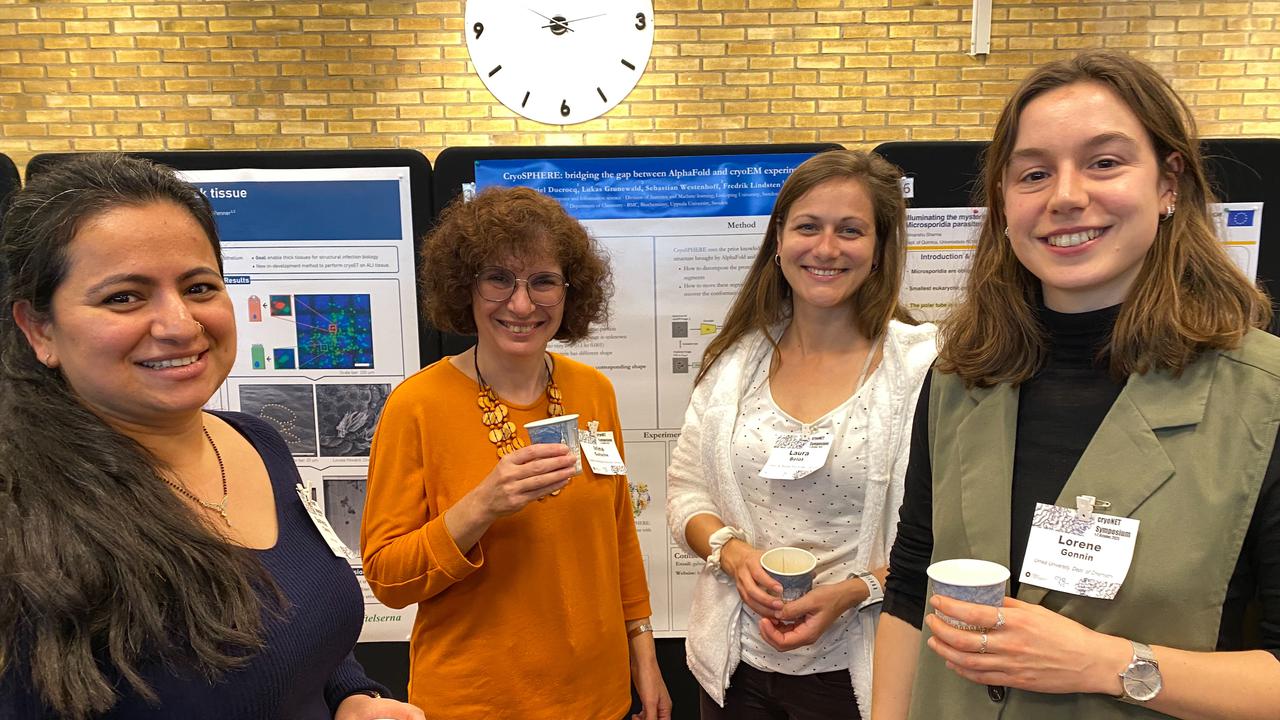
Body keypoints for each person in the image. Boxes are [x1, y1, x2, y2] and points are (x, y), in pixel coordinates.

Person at [871, 49, 1280, 720]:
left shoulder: (1263, 399)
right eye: (1034, 173)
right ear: (1004, 204)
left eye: (1104, 162)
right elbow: (912, 588)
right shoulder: (959, 380)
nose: (1065, 196)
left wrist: (1110, 664)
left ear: (1169, 183)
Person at [0, 154, 423, 720]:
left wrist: (351, 695)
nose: (178, 325)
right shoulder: (21, 518)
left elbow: (306, 626)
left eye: (199, 287)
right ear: (39, 328)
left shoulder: (259, 444)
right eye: (124, 296)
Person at [360, 186, 671, 720]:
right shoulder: (416, 405)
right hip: (476, 702)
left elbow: (618, 531)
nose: (522, 304)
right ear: (466, 288)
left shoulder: (593, 390)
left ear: (571, 292)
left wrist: (643, 647)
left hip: (596, 697)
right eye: (498, 278)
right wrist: (481, 506)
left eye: (543, 281)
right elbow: (388, 579)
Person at [666, 149, 938, 719]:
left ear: (880, 248)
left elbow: (953, 529)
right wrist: (732, 553)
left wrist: (855, 590)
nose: (826, 248)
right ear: (779, 239)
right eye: (808, 226)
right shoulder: (733, 364)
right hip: (734, 670)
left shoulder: (923, 367)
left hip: (859, 674)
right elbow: (686, 491)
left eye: (851, 230)